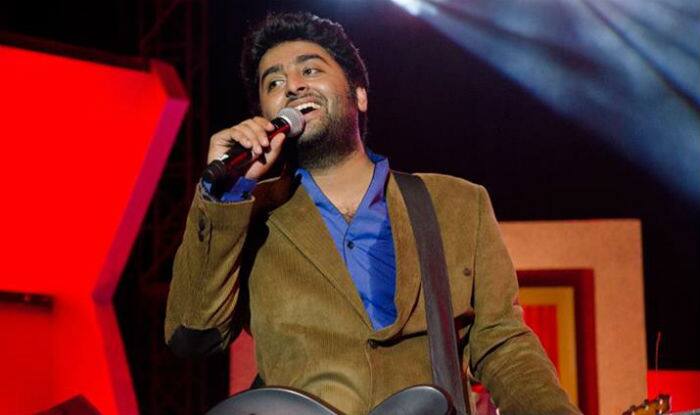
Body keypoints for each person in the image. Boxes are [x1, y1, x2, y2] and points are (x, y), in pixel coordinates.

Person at [165, 11, 581, 415]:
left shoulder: (456, 204)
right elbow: (192, 335)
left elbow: (503, 345)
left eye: (310, 70)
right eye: (273, 82)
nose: (292, 85)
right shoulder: (246, 215)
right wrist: (224, 195)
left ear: (359, 95)